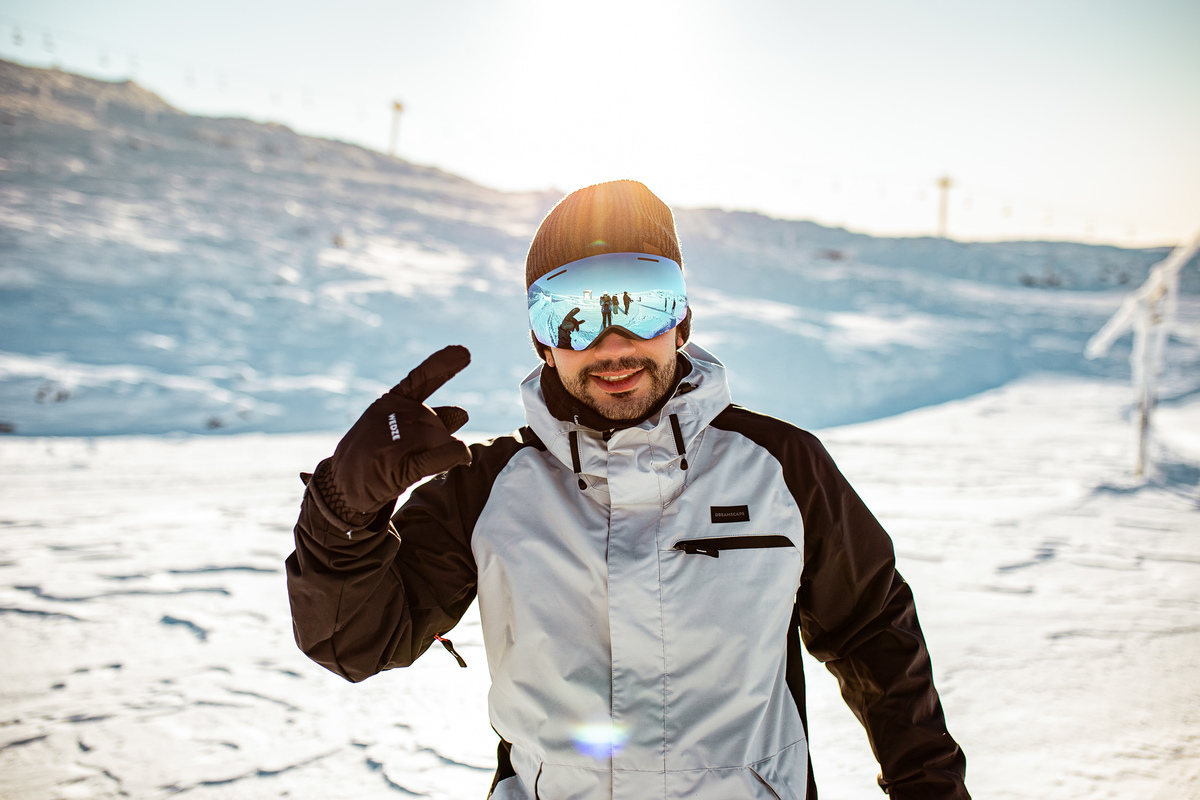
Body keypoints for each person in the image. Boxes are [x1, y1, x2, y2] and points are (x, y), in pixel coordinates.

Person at [286, 180, 969, 799]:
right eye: (573, 315)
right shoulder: (486, 487)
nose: (613, 344)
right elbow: (355, 643)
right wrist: (343, 517)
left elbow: (873, 629)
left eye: (642, 305)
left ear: (683, 318)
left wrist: (929, 787)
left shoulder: (781, 467)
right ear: (540, 339)